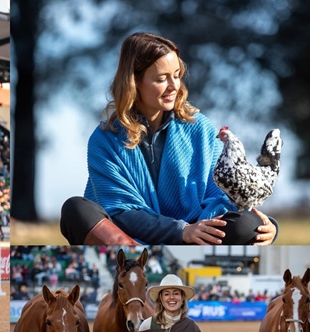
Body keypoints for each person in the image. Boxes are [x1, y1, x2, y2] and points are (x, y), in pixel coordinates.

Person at [60, 32, 277, 246]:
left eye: (177, 75)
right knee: (75, 210)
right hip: (130, 239)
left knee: (247, 225)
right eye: (162, 79)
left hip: (197, 235)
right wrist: (179, 231)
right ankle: (139, 261)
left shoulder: (199, 128)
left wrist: (268, 227)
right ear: (135, 82)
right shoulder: (104, 140)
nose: (174, 86)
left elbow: (226, 196)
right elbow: (119, 210)